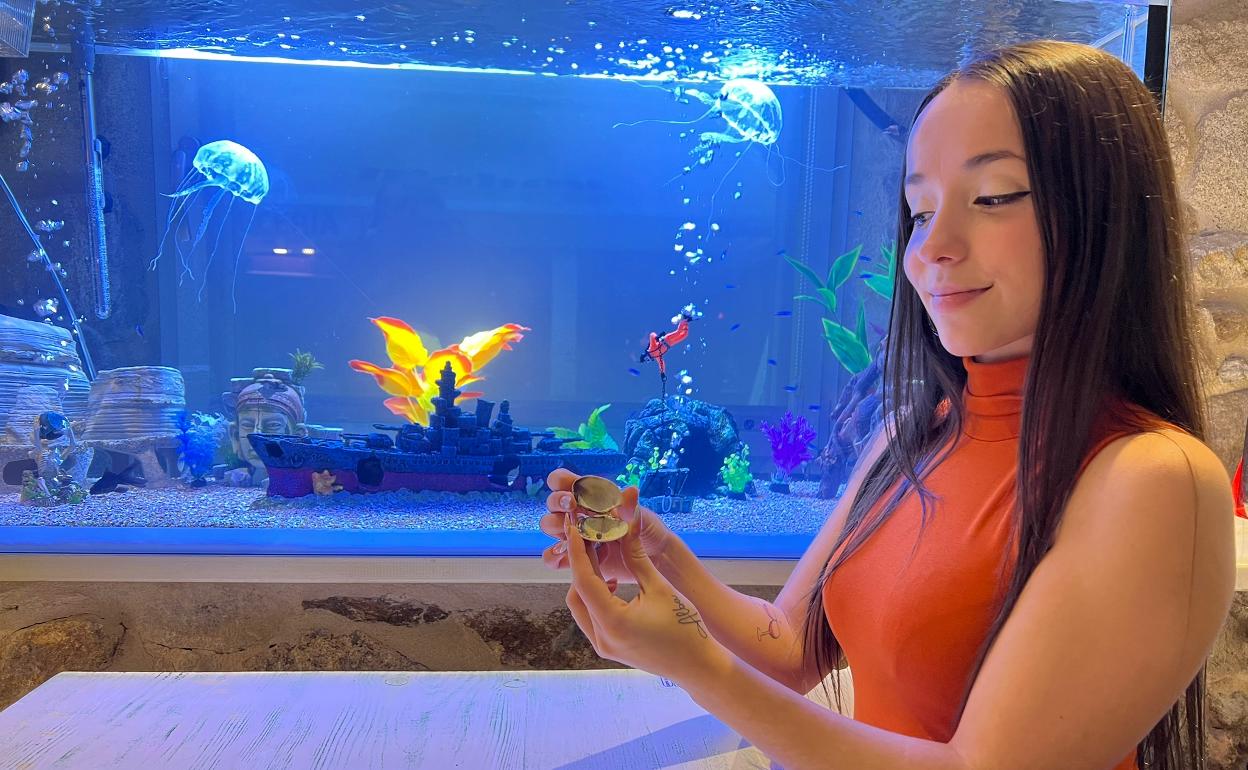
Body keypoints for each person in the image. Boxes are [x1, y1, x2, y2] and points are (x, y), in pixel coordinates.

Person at [539, 40, 1237, 770]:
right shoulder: (912, 433)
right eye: (919, 210)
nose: (932, 248)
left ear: (1107, 215)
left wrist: (694, 664)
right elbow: (790, 646)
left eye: (993, 197)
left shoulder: (1152, 480)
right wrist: (659, 554)